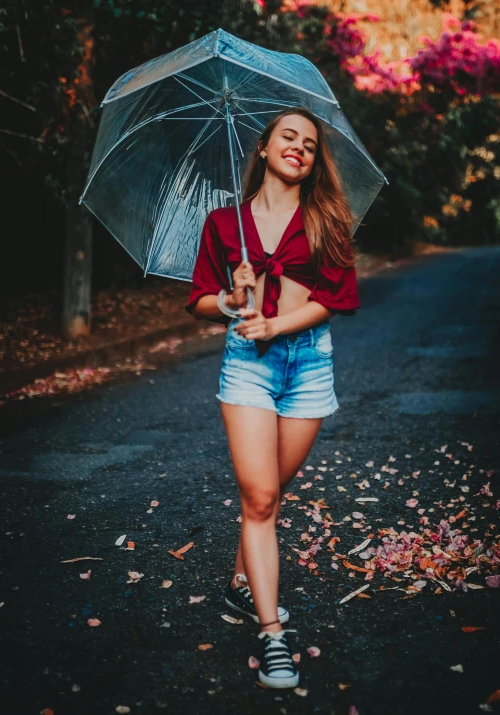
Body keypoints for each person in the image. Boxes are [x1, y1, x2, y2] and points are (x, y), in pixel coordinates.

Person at [184, 107, 360, 688]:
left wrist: (277, 327)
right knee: (260, 497)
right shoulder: (223, 223)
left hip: (308, 363)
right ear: (262, 147)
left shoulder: (325, 218)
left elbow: (334, 296)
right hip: (248, 370)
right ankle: (272, 634)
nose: (300, 148)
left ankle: (240, 584)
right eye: (289, 137)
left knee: (271, 491)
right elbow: (201, 300)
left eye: (310, 144)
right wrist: (234, 303)